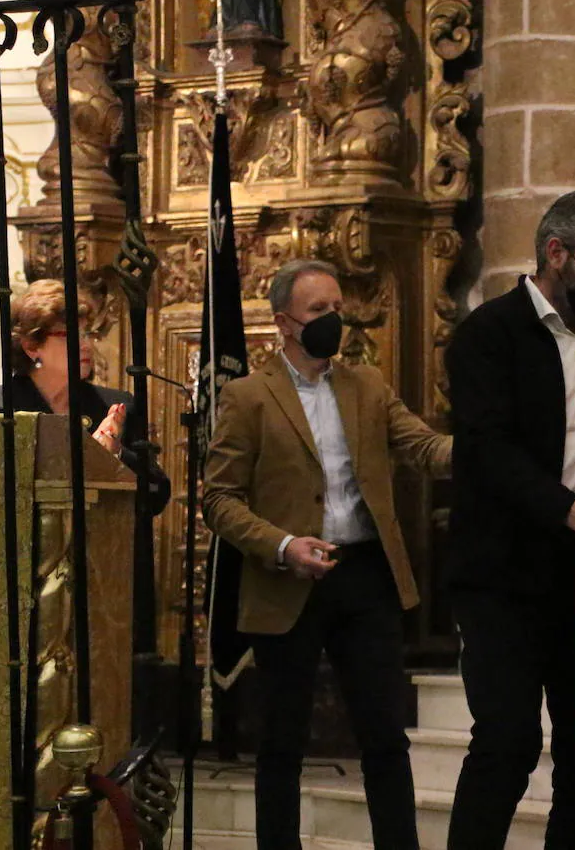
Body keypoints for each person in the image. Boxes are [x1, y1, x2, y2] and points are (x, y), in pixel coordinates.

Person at [201, 259, 451, 850]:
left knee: (384, 734)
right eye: (319, 311)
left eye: (338, 308)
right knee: (282, 740)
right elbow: (218, 499)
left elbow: (423, 446)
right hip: (287, 581)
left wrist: (492, 445)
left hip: (363, 576)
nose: (333, 320)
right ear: (285, 322)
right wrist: (283, 546)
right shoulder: (248, 397)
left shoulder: (366, 385)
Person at [444, 190, 575, 849]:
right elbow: (487, 449)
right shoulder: (488, 335)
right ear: (556, 253)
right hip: (502, 572)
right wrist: (568, 510)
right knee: (507, 740)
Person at [0, 278, 170, 516]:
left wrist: (115, 455)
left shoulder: (115, 406)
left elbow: (157, 494)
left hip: (99, 546)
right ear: (32, 346)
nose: (85, 346)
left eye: (87, 334)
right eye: (70, 335)